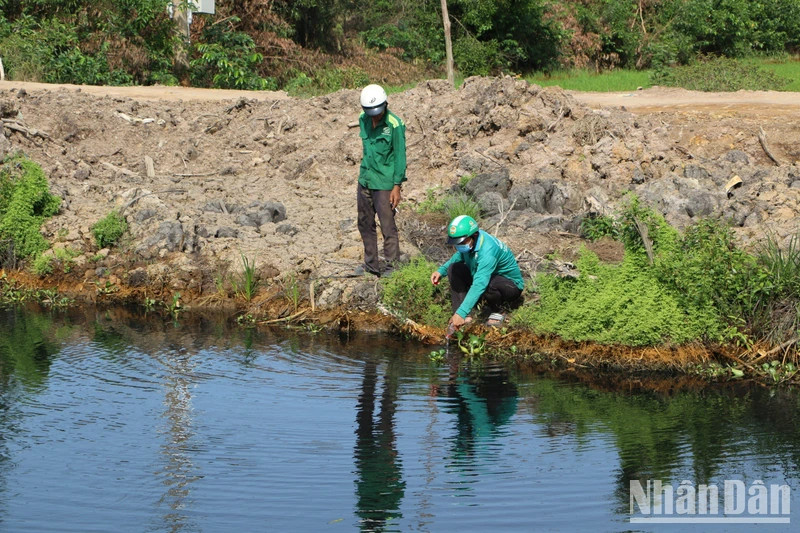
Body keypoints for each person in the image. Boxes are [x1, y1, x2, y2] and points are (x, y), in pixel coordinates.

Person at [430, 215, 524, 329]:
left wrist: (462, 312)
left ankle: (498, 310)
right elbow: (459, 256)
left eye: (461, 242)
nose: (458, 246)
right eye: (456, 243)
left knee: (489, 282)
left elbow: (480, 283)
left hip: (509, 286)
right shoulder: (471, 243)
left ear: (473, 235)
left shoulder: (488, 250)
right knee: (454, 268)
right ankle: (462, 317)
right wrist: (441, 271)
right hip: (486, 279)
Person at [355, 84, 407, 277]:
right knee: (364, 222)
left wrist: (396, 186)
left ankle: (392, 266)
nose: (375, 116)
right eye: (371, 113)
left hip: (385, 184)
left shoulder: (395, 124)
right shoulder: (363, 119)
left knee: (387, 225)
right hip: (366, 179)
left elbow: (400, 157)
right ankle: (371, 265)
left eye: (377, 112)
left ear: (385, 104)